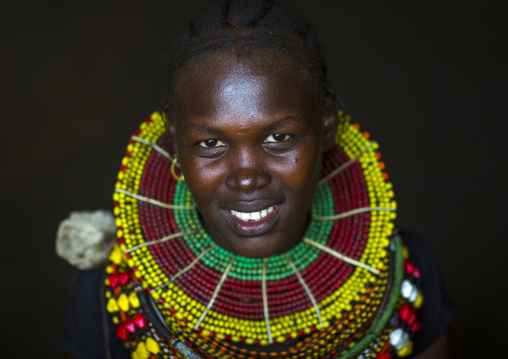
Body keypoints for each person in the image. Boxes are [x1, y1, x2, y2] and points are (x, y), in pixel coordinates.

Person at [60, 1, 453, 358]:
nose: (247, 178)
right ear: (174, 139)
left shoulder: (402, 273)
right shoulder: (105, 292)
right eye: (210, 143)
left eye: (278, 138)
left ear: (327, 123)